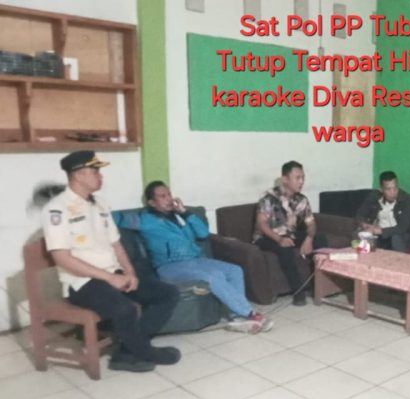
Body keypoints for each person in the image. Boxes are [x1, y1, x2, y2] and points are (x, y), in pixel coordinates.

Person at [41, 150, 181, 373]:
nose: (101, 176)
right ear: (78, 175)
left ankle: (126, 352)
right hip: (82, 283)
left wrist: (129, 272)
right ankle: (146, 352)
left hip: (112, 274)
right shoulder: (57, 209)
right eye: (95, 172)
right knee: (124, 309)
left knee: (168, 293)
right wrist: (109, 278)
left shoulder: (100, 204)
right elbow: (62, 258)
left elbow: (116, 243)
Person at [115, 181, 273, 333]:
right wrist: (100, 214)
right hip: (169, 266)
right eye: (162, 196)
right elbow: (113, 218)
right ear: (152, 202)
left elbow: (203, 233)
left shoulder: (179, 217)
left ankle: (237, 316)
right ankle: (248, 313)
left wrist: (185, 213)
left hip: (196, 261)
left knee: (235, 270)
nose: (169, 198)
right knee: (213, 276)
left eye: (169, 194)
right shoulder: (145, 219)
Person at [254, 161, 327, 306]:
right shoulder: (268, 198)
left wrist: (309, 238)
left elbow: (311, 224)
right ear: (285, 179)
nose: (301, 181)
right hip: (266, 237)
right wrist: (279, 239)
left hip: (289, 234)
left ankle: (317, 285)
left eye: (303, 177)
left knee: (320, 239)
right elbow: (261, 225)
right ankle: (298, 291)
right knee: (285, 249)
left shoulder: (301, 199)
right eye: (297, 178)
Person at [354, 171, 410, 252]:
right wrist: (364, 225)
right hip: (380, 235)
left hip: (401, 235)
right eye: (388, 189)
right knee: (360, 234)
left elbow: (402, 227)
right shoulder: (374, 196)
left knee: (396, 238)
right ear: (381, 189)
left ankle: (401, 259)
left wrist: (378, 230)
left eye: (395, 188)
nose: (393, 192)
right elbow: (360, 214)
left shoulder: (406, 199)